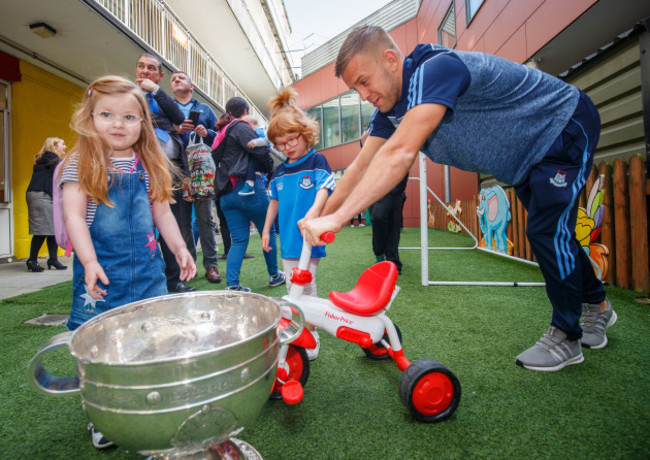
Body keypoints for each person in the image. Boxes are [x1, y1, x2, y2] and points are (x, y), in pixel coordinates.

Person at [302, 25, 616, 372]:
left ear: (391, 60)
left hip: (562, 125)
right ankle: (598, 307)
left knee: (547, 232)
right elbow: (361, 166)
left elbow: (400, 153)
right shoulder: (389, 111)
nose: (363, 95)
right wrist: (318, 215)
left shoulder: (437, 69)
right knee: (556, 234)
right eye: (354, 88)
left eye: (364, 81)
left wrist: (339, 217)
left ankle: (567, 337)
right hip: (527, 157)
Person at [59, 75, 196, 449]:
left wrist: (181, 248)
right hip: (101, 277)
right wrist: (88, 261)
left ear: (142, 123)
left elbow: (164, 214)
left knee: (150, 342)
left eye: (129, 117)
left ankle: (146, 402)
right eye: (107, 114)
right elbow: (73, 217)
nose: (118, 124)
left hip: (148, 274)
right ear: (90, 118)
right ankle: (103, 414)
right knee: (100, 351)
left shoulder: (148, 163)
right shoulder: (80, 162)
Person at [262, 87, 336, 360]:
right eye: (280, 143)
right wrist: (267, 228)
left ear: (306, 134)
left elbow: (325, 189)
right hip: (288, 240)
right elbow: (274, 201)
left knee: (307, 284)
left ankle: (313, 333)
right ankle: (297, 330)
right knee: (292, 286)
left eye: (291, 139)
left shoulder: (317, 160)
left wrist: (314, 214)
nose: (287, 147)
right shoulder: (279, 171)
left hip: (309, 236)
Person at [136, 53, 196, 293]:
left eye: (151, 68)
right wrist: (167, 124)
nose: (145, 71)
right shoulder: (129, 95)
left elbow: (179, 117)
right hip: (139, 169)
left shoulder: (160, 97)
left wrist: (155, 91)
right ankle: (147, 278)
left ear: (160, 76)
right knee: (143, 225)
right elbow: (141, 121)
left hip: (170, 171)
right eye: (141, 67)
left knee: (175, 224)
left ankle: (174, 279)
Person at [212, 96, 284, 292]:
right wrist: (269, 166)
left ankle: (233, 285)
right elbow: (259, 152)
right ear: (245, 111)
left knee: (239, 240)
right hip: (248, 188)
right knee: (267, 232)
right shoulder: (241, 126)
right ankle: (274, 275)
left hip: (225, 194)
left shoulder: (219, 133)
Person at [170, 70, 221, 283]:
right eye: (172, 79)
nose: (175, 80)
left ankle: (211, 265)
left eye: (180, 78)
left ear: (191, 87)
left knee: (205, 219)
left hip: (200, 168)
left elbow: (219, 138)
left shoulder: (205, 109)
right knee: (181, 221)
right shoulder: (168, 108)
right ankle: (187, 264)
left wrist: (206, 133)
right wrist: (175, 129)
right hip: (175, 169)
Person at [25, 137, 68, 272]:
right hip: (40, 195)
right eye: (62, 144)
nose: (65, 147)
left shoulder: (51, 160)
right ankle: (32, 260)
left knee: (53, 228)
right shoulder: (50, 158)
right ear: (54, 146)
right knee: (42, 229)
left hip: (46, 195)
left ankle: (53, 259)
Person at [240, 114, 270, 196]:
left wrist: (255, 142)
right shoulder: (257, 131)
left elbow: (266, 141)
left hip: (260, 160)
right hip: (260, 163)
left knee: (252, 166)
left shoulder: (260, 131)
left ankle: (250, 184)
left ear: (252, 124)